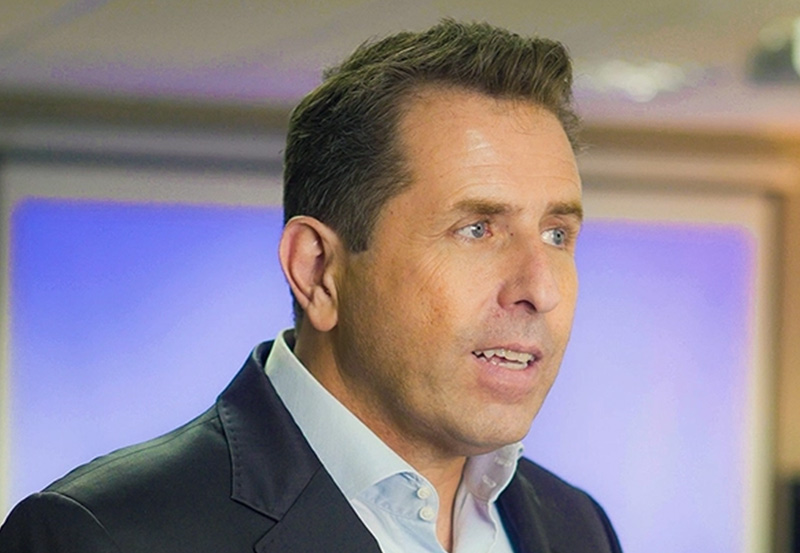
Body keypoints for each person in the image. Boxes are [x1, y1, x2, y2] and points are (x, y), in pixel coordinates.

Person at [0, 19, 622, 553]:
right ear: (317, 270)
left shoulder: (575, 526)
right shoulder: (100, 535)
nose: (540, 289)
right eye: (477, 229)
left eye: (557, 235)